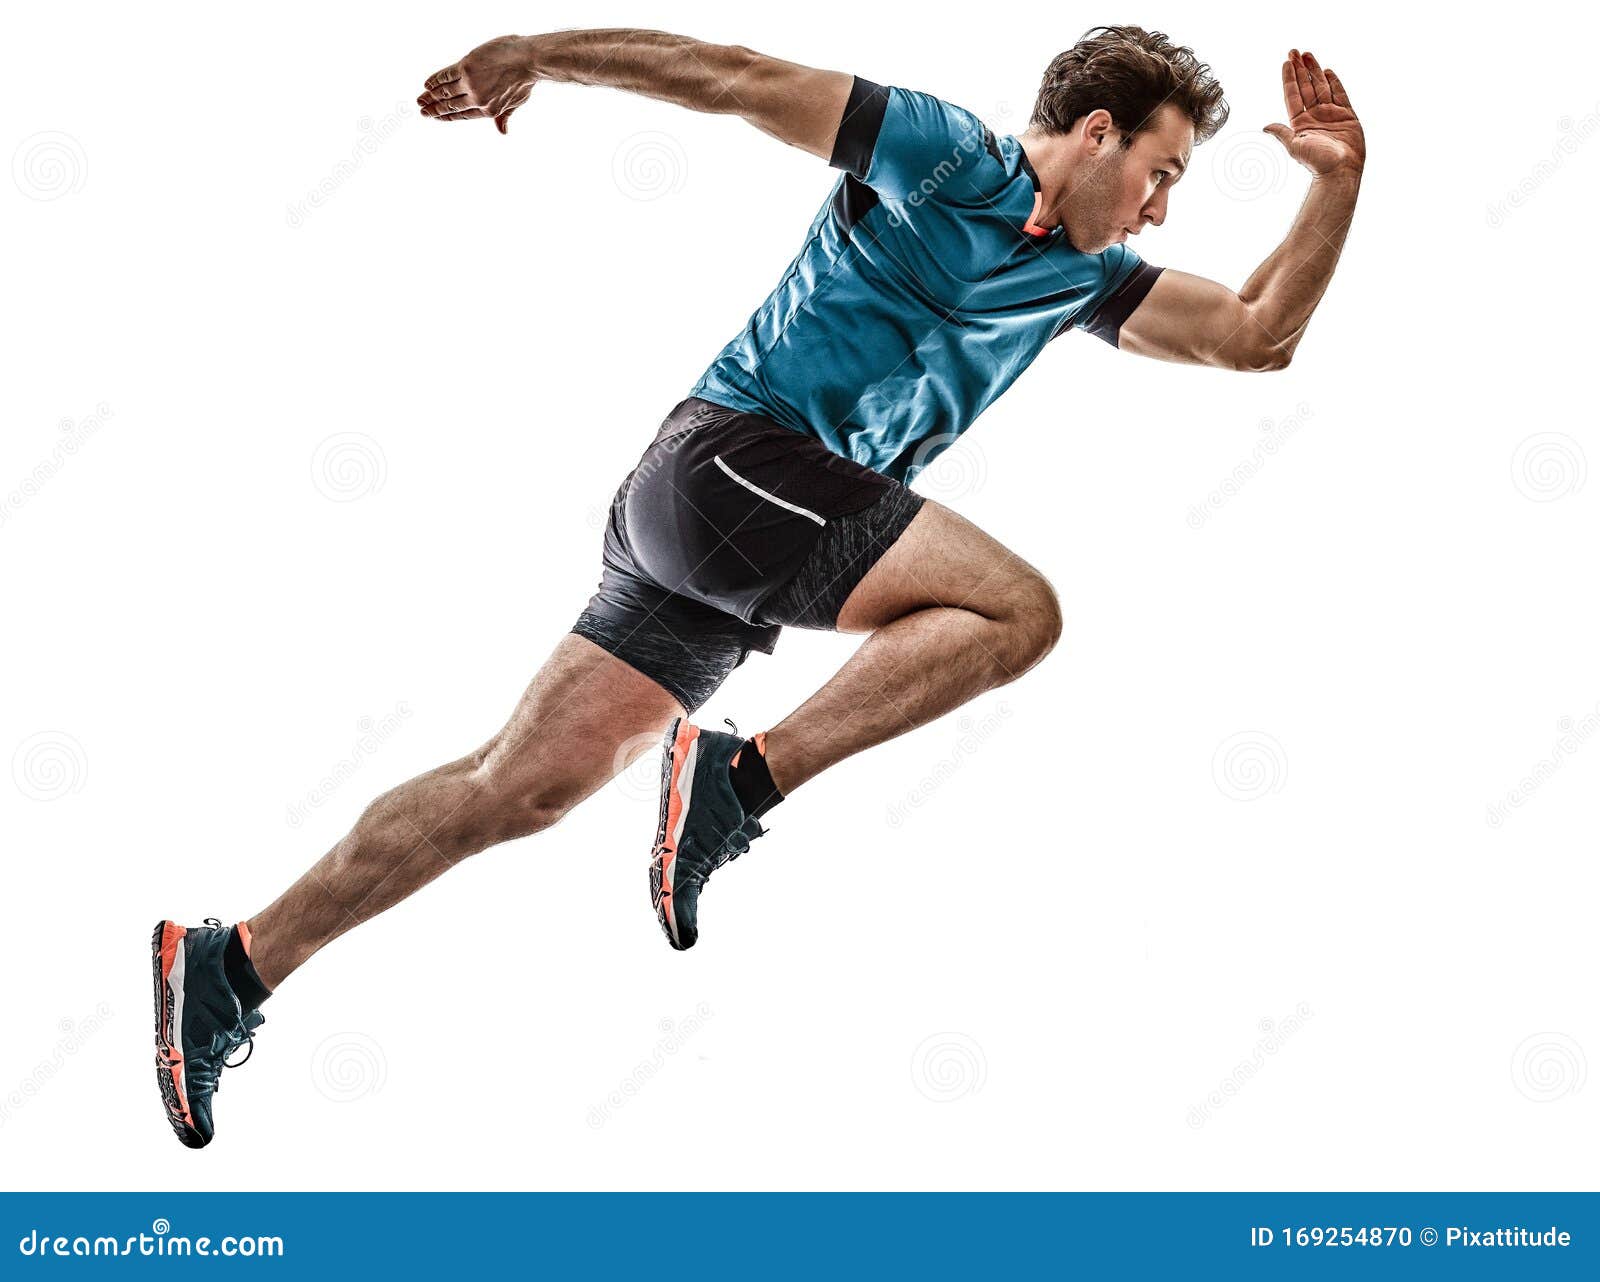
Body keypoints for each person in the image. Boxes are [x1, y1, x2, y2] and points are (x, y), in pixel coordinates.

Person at [153, 25, 1364, 1147]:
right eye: (1160, 170)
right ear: (1095, 131)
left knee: (513, 790)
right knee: (1017, 610)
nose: (1160, 205)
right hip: (731, 466)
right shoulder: (945, 157)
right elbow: (731, 79)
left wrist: (1336, 182)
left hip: (740, 538)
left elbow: (1257, 332)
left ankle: (235, 964)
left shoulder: (1087, 283)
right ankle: (739, 780)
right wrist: (540, 51)